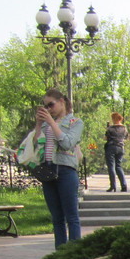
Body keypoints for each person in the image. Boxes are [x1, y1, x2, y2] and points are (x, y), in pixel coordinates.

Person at [35, 88, 84, 248]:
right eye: (45, 106)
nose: (49, 109)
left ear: (61, 102)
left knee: (71, 216)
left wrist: (51, 123)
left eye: (51, 105)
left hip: (65, 171)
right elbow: (35, 145)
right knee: (57, 218)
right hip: (48, 171)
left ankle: (74, 254)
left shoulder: (75, 122)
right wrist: (38, 124)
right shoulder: (45, 125)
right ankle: (60, 255)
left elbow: (68, 143)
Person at [104, 112, 129, 192]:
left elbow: (105, 138)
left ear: (114, 119)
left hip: (111, 147)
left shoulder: (110, 128)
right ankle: (124, 185)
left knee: (111, 167)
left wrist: (107, 130)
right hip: (120, 147)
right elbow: (126, 137)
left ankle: (113, 186)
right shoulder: (124, 128)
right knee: (118, 166)